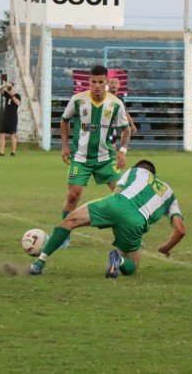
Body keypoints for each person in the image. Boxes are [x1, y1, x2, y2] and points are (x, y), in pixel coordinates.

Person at [30, 159, 186, 277]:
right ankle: (119, 261)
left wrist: (103, 213)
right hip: (136, 222)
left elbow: (116, 193)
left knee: (70, 220)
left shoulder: (134, 171)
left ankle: (39, 262)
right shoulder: (170, 193)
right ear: (154, 174)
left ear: (141, 168)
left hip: (116, 204)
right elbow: (180, 230)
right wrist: (165, 248)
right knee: (132, 266)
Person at [59, 65, 130, 248]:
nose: (97, 85)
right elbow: (64, 120)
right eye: (93, 82)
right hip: (81, 157)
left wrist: (122, 151)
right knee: (73, 195)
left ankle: (129, 234)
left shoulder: (115, 103)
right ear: (88, 81)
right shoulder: (77, 100)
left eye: (101, 82)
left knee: (122, 195)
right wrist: (65, 146)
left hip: (106, 158)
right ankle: (64, 235)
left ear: (106, 82)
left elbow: (126, 128)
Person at [0, 81, 21, 156]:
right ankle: (1, 152)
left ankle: (13, 152)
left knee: (12, 135)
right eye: (8, 88)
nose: (9, 89)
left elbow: (18, 103)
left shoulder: (17, 95)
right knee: (2, 134)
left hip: (12, 118)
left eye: (10, 88)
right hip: (5, 117)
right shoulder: (7, 95)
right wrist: (4, 85)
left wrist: (12, 96)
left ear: (13, 88)